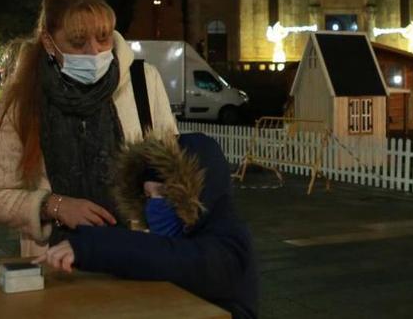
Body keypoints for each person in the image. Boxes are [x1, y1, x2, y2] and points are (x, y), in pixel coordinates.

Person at [0, 0, 177, 257]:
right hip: (52, 265)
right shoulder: (20, 100)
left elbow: (173, 169)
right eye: (78, 42)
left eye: (103, 37)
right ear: (49, 42)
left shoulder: (145, 82)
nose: (94, 52)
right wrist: (54, 206)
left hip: (136, 256)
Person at [32, 131, 257, 319]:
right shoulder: (181, 234)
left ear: (198, 191)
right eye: (148, 196)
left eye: (164, 192)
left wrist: (94, 247)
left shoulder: (231, 236)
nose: (153, 205)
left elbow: (178, 259)